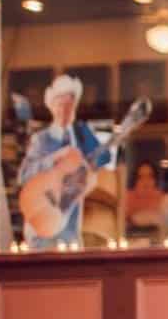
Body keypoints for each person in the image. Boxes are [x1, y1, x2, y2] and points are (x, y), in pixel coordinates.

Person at [17, 73, 116, 248]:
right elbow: (24, 176)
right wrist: (53, 158)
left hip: (70, 231)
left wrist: (89, 174)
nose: (64, 109)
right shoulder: (41, 139)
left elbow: (103, 158)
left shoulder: (81, 135)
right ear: (51, 106)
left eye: (69, 104)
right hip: (41, 226)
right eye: (60, 104)